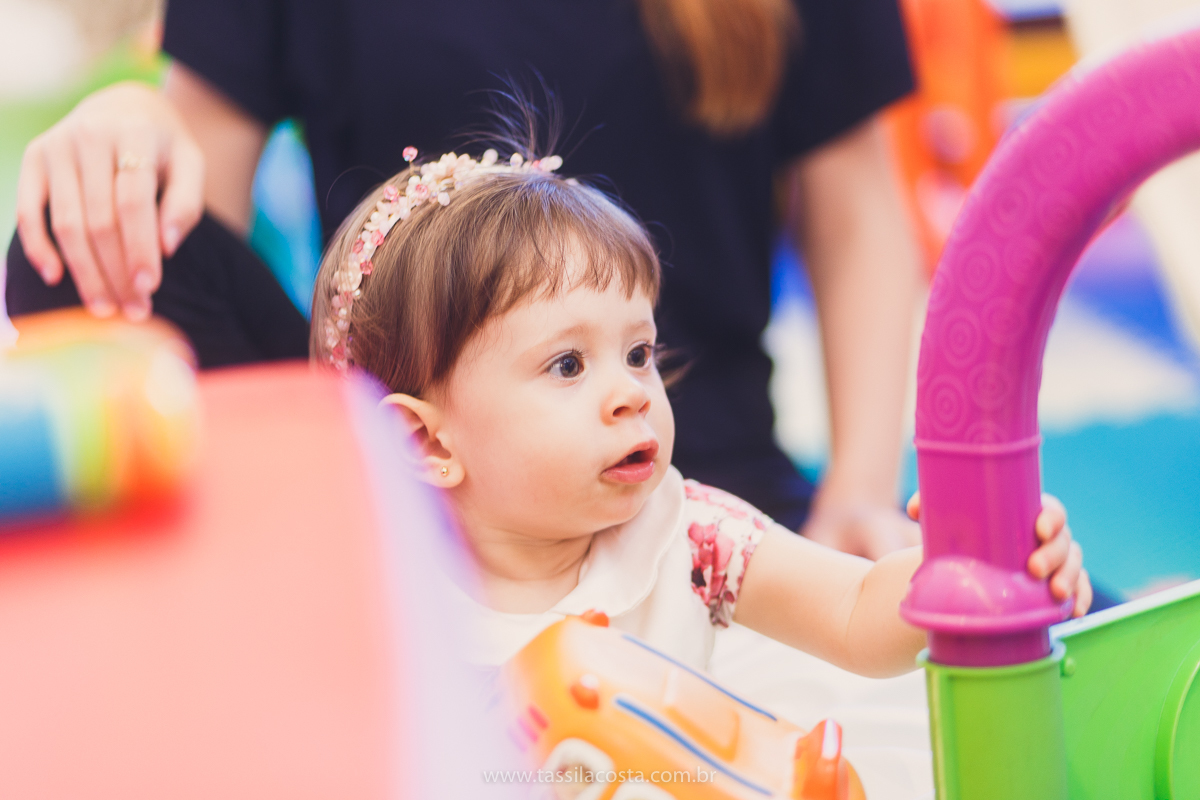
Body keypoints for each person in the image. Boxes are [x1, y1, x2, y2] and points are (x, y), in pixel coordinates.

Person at [10, 0, 923, 558]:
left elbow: (857, 216)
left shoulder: (721, 542)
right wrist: (127, 126)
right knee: (69, 234)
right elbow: (178, 223)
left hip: (697, 480)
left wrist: (856, 498)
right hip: (398, 498)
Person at [308, 143, 1091, 668]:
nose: (631, 393)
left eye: (639, 354)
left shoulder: (687, 535)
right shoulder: (382, 593)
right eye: (569, 365)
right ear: (425, 442)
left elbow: (853, 611)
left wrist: (977, 563)